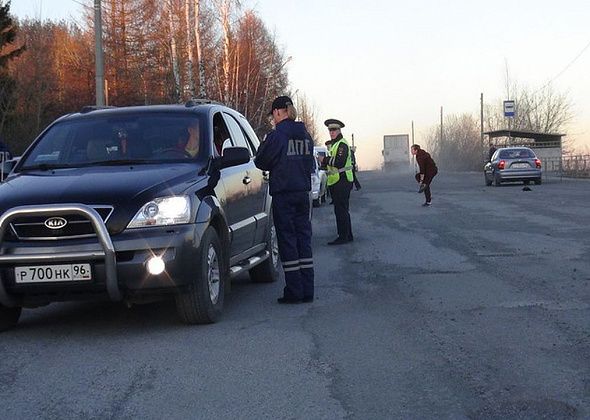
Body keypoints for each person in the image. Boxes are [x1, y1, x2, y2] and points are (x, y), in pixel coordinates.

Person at [255, 95, 315, 304]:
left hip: (283, 195)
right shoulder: (305, 135)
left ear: (279, 112)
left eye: (273, 114)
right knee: (303, 240)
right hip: (302, 193)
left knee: (288, 241)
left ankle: (294, 291)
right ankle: (308, 290)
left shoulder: (277, 136)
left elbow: (261, 161)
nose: (273, 119)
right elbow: (310, 165)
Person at [321, 118, 354, 245]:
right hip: (337, 181)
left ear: (339, 130)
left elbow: (339, 162)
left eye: (334, 130)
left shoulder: (342, 144)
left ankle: (343, 236)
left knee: (341, 210)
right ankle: (348, 234)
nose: (332, 132)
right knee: (342, 209)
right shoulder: (335, 144)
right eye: (330, 130)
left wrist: (324, 160)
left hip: (343, 180)